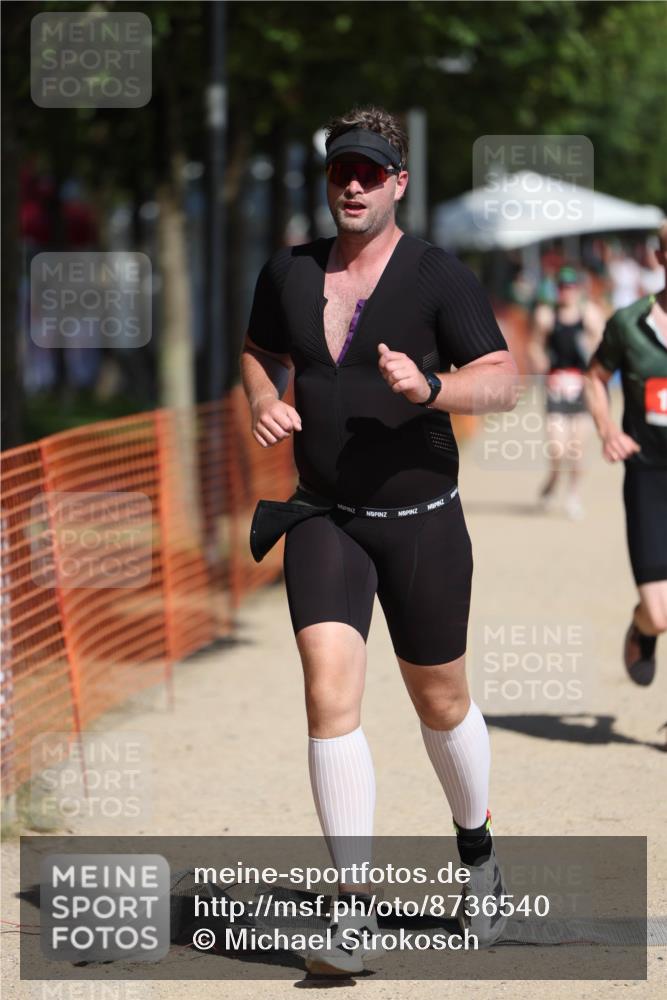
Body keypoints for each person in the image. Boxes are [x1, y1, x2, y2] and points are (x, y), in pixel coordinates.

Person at [240, 106, 518, 974]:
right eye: (339, 172)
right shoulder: (285, 271)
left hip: (421, 525)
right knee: (329, 694)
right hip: (322, 517)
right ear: (327, 182)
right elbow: (255, 352)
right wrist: (262, 399)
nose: (351, 185)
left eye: (368, 172)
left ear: (398, 182)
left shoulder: (438, 276)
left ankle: (477, 857)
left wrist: (431, 387)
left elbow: (502, 381)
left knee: (439, 702)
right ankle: (351, 914)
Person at [585, 221, 667, 686]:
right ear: (660, 259)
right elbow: (595, 376)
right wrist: (607, 429)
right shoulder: (629, 325)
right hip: (650, 475)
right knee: (660, 613)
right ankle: (643, 627)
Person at [530, 266, 605, 519]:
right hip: (556, 387)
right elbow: (535, 346)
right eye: (563, 287)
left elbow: (603, 347)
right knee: (556, 448)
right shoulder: (546, 316)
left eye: (571, 287)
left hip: (581, 388)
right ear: (557, 290)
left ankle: (573, 495)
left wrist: (591, 351)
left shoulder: (590, 315)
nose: (567, 292)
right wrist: (540, 362)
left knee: (576, 449)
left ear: (578, 289)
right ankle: (553, 480)